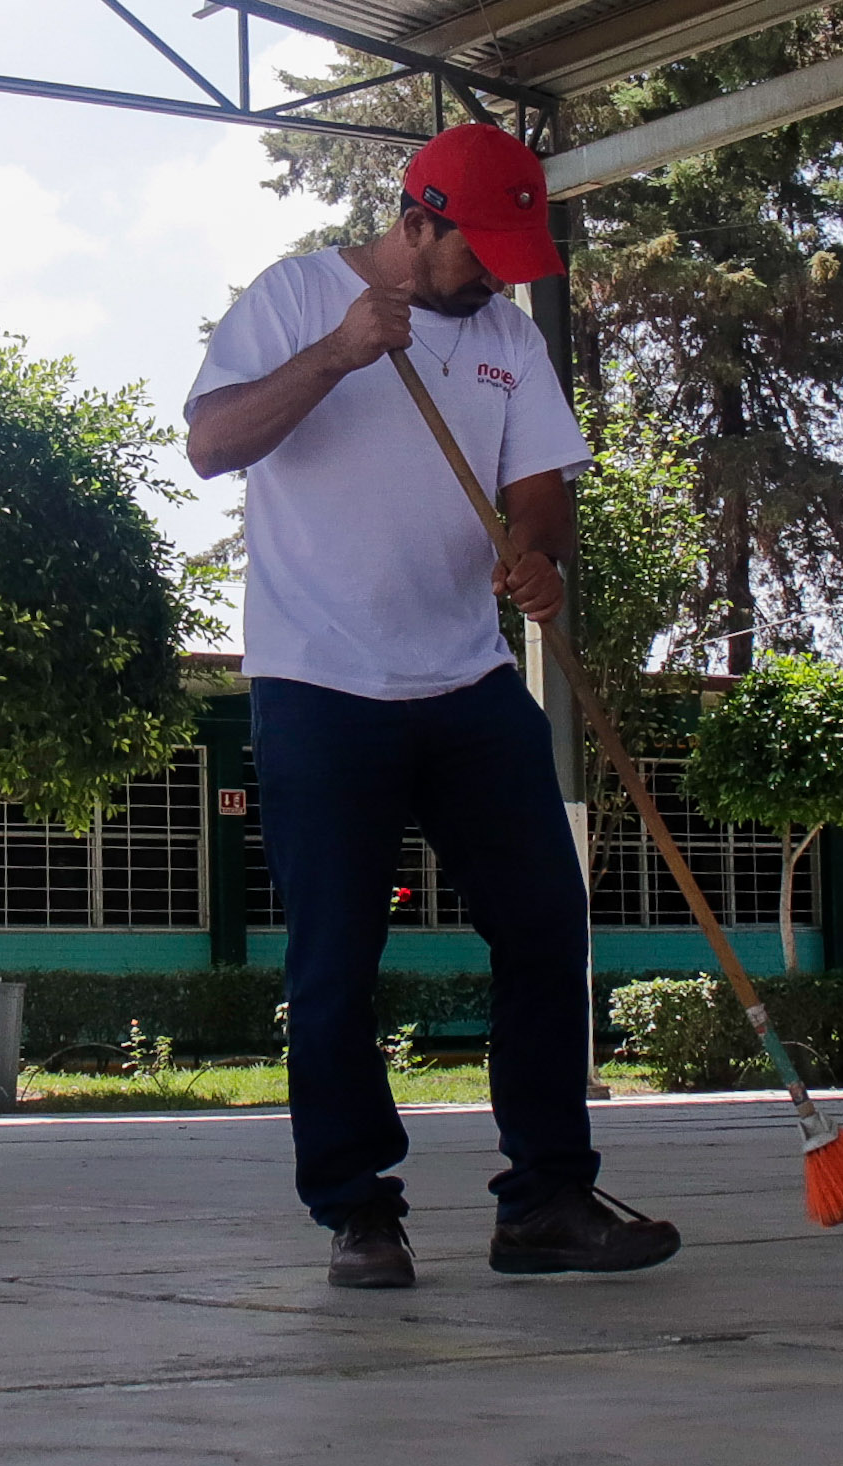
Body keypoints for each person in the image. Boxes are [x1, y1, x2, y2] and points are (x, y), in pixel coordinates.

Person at [186, 123, 680, 1288]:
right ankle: (359, 1210)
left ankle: (547, 1200)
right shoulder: (295, 296)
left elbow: (542, 493)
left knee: (547, 927)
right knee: (335, 962)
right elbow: (213, 443)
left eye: (517, 252)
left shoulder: (507, 337)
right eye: (480, 249)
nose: (499, 274)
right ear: (417, 222)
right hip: (319, 684)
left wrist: (539, 558)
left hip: (469, 679)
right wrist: (340, 354)